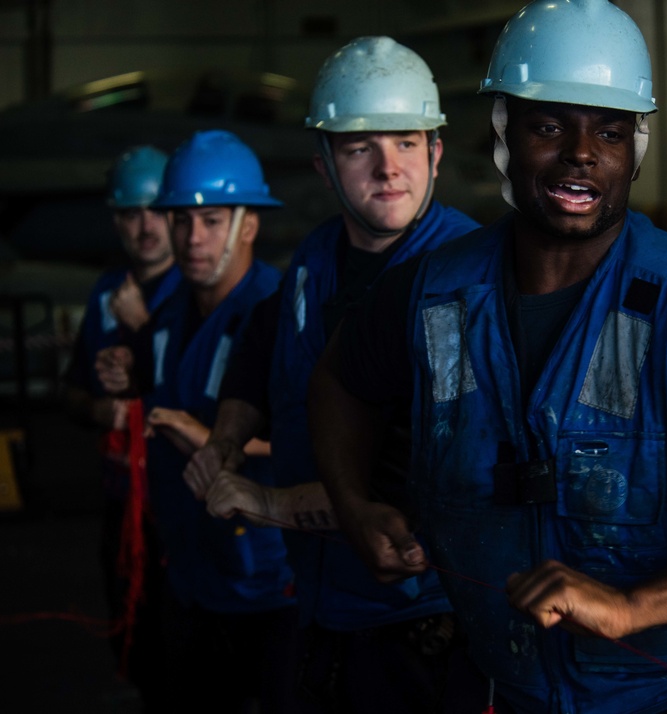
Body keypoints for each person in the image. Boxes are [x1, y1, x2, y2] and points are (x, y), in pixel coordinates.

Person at [309, 2, 667, 713]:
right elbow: (340, 380)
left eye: (609, 132)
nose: (582, 153)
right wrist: (354, 503)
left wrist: (633, 606)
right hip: (498, 687)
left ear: (633, 150)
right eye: (549, 127)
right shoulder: (431, 293)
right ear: (503, 135)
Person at [185, 37, 479, 712]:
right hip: (324, 610)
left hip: (422, 629)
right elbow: (264, 350)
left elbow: (411, 498)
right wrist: (225, 439)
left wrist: (262, 503)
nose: (388, 168)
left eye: (406, 142)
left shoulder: (462, 282)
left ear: (436, 150)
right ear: (324, 165)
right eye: (358, 148)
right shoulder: (316, 260)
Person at [95, 130, 303, 713]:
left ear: (249, 225)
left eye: (210, 221)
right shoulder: (167, 314)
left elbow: (312, 436)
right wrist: (125, 371)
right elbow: (162, 387)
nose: (190, 239)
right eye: (180, 222)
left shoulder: (280, 313)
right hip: (188, 574)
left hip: (267, 583)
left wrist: (215, 442)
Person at [62, 144, 180, 711]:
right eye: (131, 214)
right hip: (121, 494)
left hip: (178, 496)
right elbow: (71, 391)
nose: (145, 226)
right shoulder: (105, 292)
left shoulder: (192, 290)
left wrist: (144, 329)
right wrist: (100, 410)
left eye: (156, 211)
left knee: (181, 633)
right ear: (116, 220)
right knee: (127, 614)